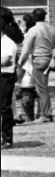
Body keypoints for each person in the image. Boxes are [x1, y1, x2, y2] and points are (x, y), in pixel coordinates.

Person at [19, 8, 55, 122]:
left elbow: (26, 50)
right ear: (44, 16)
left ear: (34, 17)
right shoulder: (52, 28)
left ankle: (45, 115)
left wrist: (20, 62)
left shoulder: (33, 30)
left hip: (39, 59)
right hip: (50, 59)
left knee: (41, 89)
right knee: (43, 86)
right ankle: (45, 113)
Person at [0, 8, 20, 148]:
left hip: (5, 77)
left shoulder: (7, 43)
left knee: (4, 108)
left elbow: (5, 61)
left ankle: (7, 139)